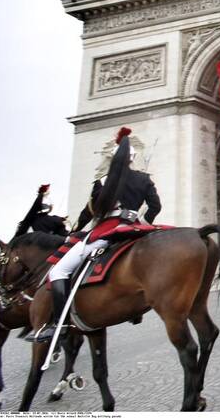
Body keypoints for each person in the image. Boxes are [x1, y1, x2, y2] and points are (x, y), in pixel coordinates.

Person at [35, 127, 161, 343]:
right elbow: (155, 206)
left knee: (59, 271)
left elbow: (91, 211)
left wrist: (77, 229)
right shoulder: (144, 179)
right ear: (133, 158)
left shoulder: (103, 182)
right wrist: (141, 223)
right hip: (134, 229)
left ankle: (61, 323)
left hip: (107, 231)